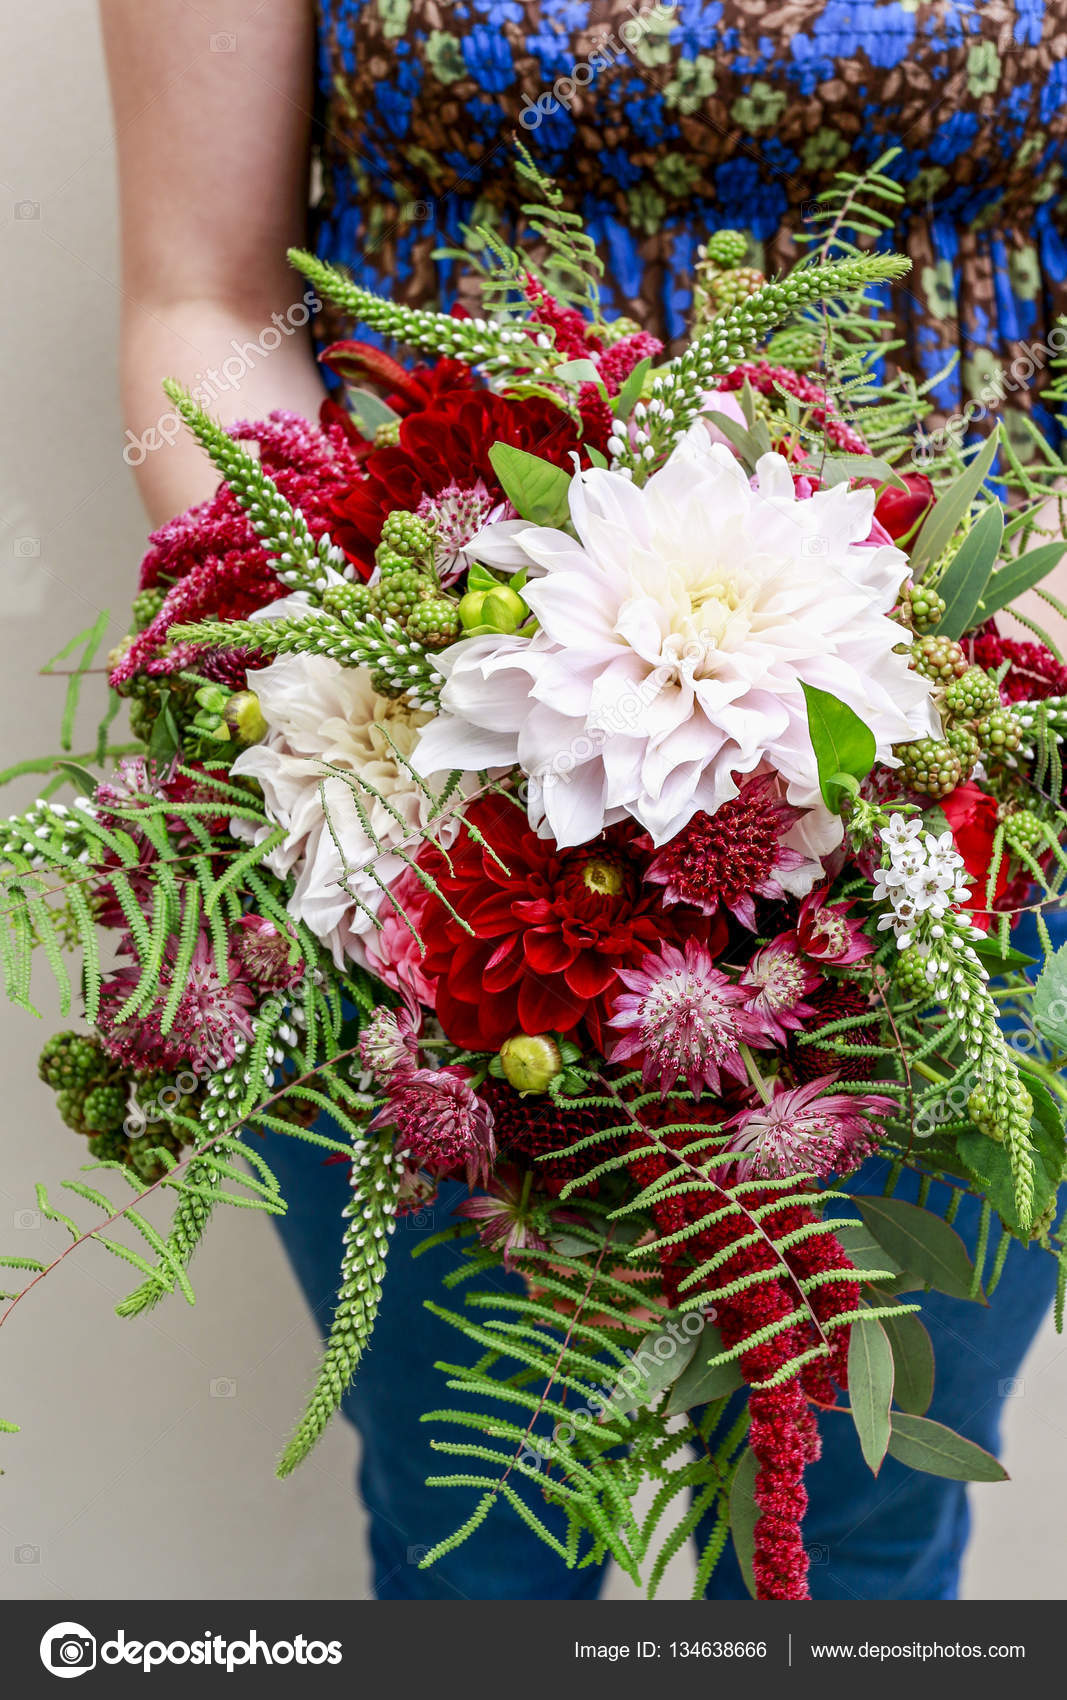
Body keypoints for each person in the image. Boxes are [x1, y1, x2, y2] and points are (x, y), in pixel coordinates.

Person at [101, 0, 1067, 1600]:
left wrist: (957, 702)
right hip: (420, 804)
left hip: (974, 802)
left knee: (859, 1533)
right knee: (480, 1523)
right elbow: (203, 291)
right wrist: (389, 687)